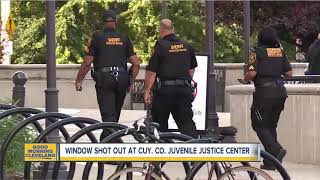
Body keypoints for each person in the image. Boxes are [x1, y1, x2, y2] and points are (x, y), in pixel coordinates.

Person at [74, 9, 140, 141]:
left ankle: (113, 150)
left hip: (105, 79)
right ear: (115, 22)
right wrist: (131, 82)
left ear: (103, 23)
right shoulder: (124, 38)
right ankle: (107, 142)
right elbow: (136, 64)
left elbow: (87, 62)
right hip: (122, 78)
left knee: (108, 116)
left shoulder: (97, 37)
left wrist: (79, 80)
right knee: (114, 116)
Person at [239, 27, 292, 170]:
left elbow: (252, 73)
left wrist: (244, 80)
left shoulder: (255, 53)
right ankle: (271, 162)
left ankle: (276, 150)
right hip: (280, 92)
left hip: (264, 93)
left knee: (258, 124)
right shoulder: (281, 52)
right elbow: (289, 73)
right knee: (270, 126)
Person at [144, 19, 198, 138]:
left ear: (161, 30)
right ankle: (195, 150)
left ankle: (162, 151)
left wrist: (147, 91)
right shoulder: (186, 45)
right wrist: (184, 81)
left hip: (165, 92)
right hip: (183, 90)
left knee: (159, 125)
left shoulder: (160, 46)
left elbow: (152, 72)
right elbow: (191, 69)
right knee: (187, 124)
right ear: (173, 29)